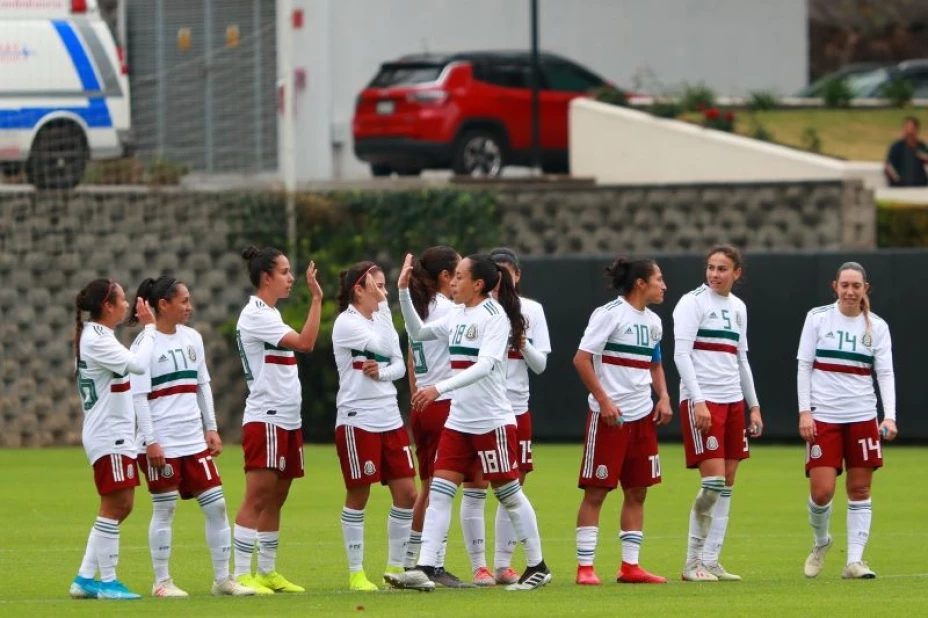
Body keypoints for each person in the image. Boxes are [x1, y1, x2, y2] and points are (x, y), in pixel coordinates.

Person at [386, 253, 551, 592]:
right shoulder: (457, 314)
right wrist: (403, 291)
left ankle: (537, 565)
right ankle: (426, 565)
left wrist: (438, 388)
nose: (453, 282)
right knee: (442, 492)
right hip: (459, 422)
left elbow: (486, 365)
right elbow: (417, 331)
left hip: (492, 421)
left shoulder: (496, 317)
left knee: (509, 493)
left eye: (460, 277)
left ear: (478, 284)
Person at [128, 276, 254, 598]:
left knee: (217, 506)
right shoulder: (145, 343)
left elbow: (202, 385)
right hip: (162, 442)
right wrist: (151, 440)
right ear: (163, 305)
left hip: (193, 440)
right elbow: (139, 396)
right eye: (183, 301)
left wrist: (210, 427)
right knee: (165, 508)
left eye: (189, 300)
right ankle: (161, 582)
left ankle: (222, 580)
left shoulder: (193, 338)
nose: (190, 307)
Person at [574, 257, 673, 586]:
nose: (664, 285)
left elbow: (654, 363)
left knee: (638, 491)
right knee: (596, 492)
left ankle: (630, 566)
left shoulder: (655, 322)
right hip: (610, 419)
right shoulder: (609, 315)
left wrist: (664, 397)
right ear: (641, 283)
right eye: (659, 279)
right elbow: (582, 359)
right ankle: (585, 568)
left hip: (643, 417)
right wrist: (604, 401)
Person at [231, 245, 323, 594]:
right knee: (257, 495)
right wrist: (316, 300)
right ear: (266, 277)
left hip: (287, 418)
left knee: (277, 497)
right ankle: (240, 575)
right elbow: (306, 343)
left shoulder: (271, 314)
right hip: (266, 417)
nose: (291, 278)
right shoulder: (256, 314)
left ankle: (266, 571)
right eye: (285, 272)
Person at [797, 262, 897, 580]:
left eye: (856, 286)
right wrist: (805, 411)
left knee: (860, 489)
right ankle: (821, 542)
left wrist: (890, 416)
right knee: (822, 491)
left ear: (865, 288)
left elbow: (884, 373)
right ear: (835, 287)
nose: (850, 291)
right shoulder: (817, 318)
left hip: (862, 416)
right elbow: (804, 365)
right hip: (824, 417)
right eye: (845, 285)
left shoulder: (877, 327)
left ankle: (854, 561)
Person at [458, 247, 551, 586]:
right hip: (480, 409)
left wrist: (523, 343)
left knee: (510, 486)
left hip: (516, 408)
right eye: (496, 274)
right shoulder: (476, 312)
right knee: (475, 486)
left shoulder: (531, 310)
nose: (501, 281)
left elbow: (540, 365)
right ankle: (478, 565)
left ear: (517, 276)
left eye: (507, 274)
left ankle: (503, 564)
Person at [673, 244, 763, 582]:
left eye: (722, 268)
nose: (714, 274)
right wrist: (698, 400)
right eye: (711, 267)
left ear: (736, 273)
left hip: (732, 402)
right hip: (704, 401)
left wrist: (752, 405)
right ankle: (691, 562)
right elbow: (681, 355)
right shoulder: (691, 302)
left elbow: (741, 360)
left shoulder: (738, 307)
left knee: (726, 484)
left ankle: (710, 560)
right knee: (712, 483)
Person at [331, 261, 418, 591]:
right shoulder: (346, 324)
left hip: (389, 418)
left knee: (408, 493)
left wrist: (380, 373)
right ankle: (356, 574)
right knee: (359, 493)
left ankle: (396, 569)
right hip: (358, 419)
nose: (383, 291)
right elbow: (382, 347)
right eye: (378, 285)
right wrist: (386, 310)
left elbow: (397, 363)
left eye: (385, 285)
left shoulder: (381, 319)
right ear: (359, 289)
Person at [70, 279, 156, 600]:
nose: (127, 304)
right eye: (122, 299)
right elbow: (138, 365)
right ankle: (108, 582)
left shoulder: (99, 335)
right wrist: (149, 329)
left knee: (121, 505)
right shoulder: (97, 338)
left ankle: (83, 579)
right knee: (117, 503)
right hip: (109, 434)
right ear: (108, 305)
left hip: (114, 433)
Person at [403, 246, 471, 588]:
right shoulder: (447, 309)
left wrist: (418, 391)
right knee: (440, 489)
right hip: (443, 404)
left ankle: (409, 561)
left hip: (424, 404)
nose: (461, 280)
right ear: (445, 276)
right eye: (458, 273)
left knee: (431, 486)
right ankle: (430, 565)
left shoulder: (419, 306)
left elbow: (412, 357)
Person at [884, 116, 928, 187]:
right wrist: (897, 182)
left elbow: (926, 159)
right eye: (906, 128)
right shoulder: (896, 147)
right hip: (900, 187)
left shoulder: (921, 146)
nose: (909, 131)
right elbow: (889, 167)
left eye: (912, 129)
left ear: (917, 130)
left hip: (920, 186)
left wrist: (916, 149)